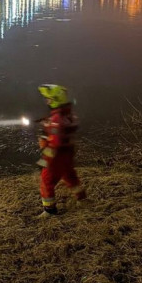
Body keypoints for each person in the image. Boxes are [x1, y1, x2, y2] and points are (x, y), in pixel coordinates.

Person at [36, 84, 86, 217]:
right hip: (68, 154)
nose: (47, 102)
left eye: (49, 99)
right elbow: (65, 129)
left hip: (56, 157)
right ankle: (82, 199)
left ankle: (50, 210)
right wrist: (48, 122)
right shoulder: (69, 115)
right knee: (70, 177)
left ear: (56, 100)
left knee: (46, 181)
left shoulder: (56, 119)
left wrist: (43, 161)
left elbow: (55, 144)